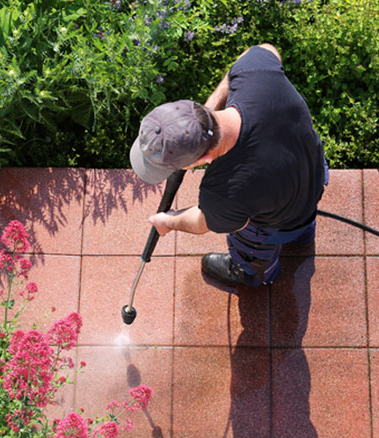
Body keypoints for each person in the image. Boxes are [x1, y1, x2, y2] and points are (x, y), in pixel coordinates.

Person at [129, 43, 328, 287]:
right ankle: (303, 235)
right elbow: (265, 49)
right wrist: (209, 111)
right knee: (301, 218)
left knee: (251, 240)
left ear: (202, 161)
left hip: (277, 220)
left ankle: (252, 273)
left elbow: (203, 222)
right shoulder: (254, 72)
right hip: (314, 174)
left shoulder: (224, 192)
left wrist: (167, 222)